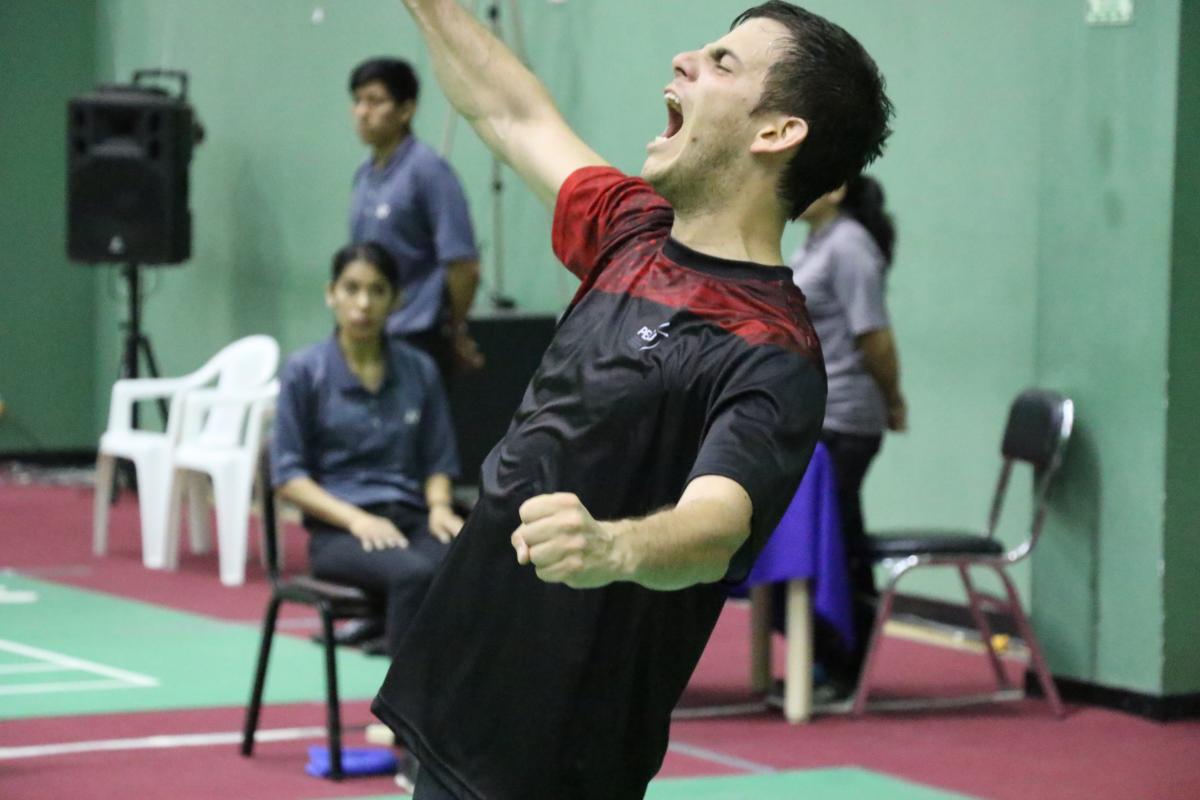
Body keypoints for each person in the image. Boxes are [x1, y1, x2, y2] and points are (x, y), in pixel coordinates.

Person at [371, 2, 893, 798]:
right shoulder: (632, 232)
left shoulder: (771, 350)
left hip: (558, 749)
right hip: (464, 683)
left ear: (777, 133)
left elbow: (715, 528)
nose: (685, 60)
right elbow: (511, 110)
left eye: (723, 64)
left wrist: (611, 548)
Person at [271, 241, 464, 659]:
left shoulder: (419, 369)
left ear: (395, 301)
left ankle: (452, 711)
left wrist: (440, 507)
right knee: (414, 575)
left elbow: (437, 460)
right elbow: (288, 479)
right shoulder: (305, 371)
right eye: (351, 288)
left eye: (377, 291)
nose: (363, 303)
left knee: (470, 565)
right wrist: (357, 520)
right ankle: (399, 719)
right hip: (339, 531)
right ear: (331, 294)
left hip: (411, 519)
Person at [790, 174, 905, 692]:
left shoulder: (851, 246)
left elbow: (874, 338)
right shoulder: (814, 243)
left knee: (836, 543)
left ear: (834, 188)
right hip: (815, 417)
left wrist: (893, 399)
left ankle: (844, 664)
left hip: (847, 419)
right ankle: (826, 657)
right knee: (821, 539)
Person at [348, 56, 484, 383]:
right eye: (357, 101)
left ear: (406, 110)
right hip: (370, 334)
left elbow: (463, 265)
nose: (362, 112)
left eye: (375, 101)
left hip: (418, 336)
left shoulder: (429, 172)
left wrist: (453, 329)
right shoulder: (364, 176)